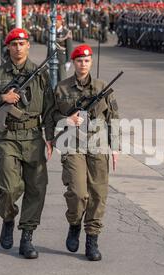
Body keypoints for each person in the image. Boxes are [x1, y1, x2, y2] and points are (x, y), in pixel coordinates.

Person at [0, 28, 55, 259]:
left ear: (28, 46)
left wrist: (49, 137)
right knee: (9, 188)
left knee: (36, 188)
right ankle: (8, 218)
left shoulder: (40, 74)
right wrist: (4, 98)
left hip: (33, 136)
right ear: (8, 47)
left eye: (22, 43)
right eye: (14, 44)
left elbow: (50, 108)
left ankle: (27, 237)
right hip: (8, 137)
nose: (18, 48)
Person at [52, 44, 120, 261]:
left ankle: (92, 238)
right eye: (80, 60)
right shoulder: (62, 88)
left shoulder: (103, 86)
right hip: (72, 144)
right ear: (74, 62)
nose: (83, 64)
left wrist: (115, 146)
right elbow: (50, 115)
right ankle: (74, 223)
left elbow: (113, 117)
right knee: (78, 192)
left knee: (99, 194)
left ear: (91, 62)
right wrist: (66, 120)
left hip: (98, 145)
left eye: (87, 60)